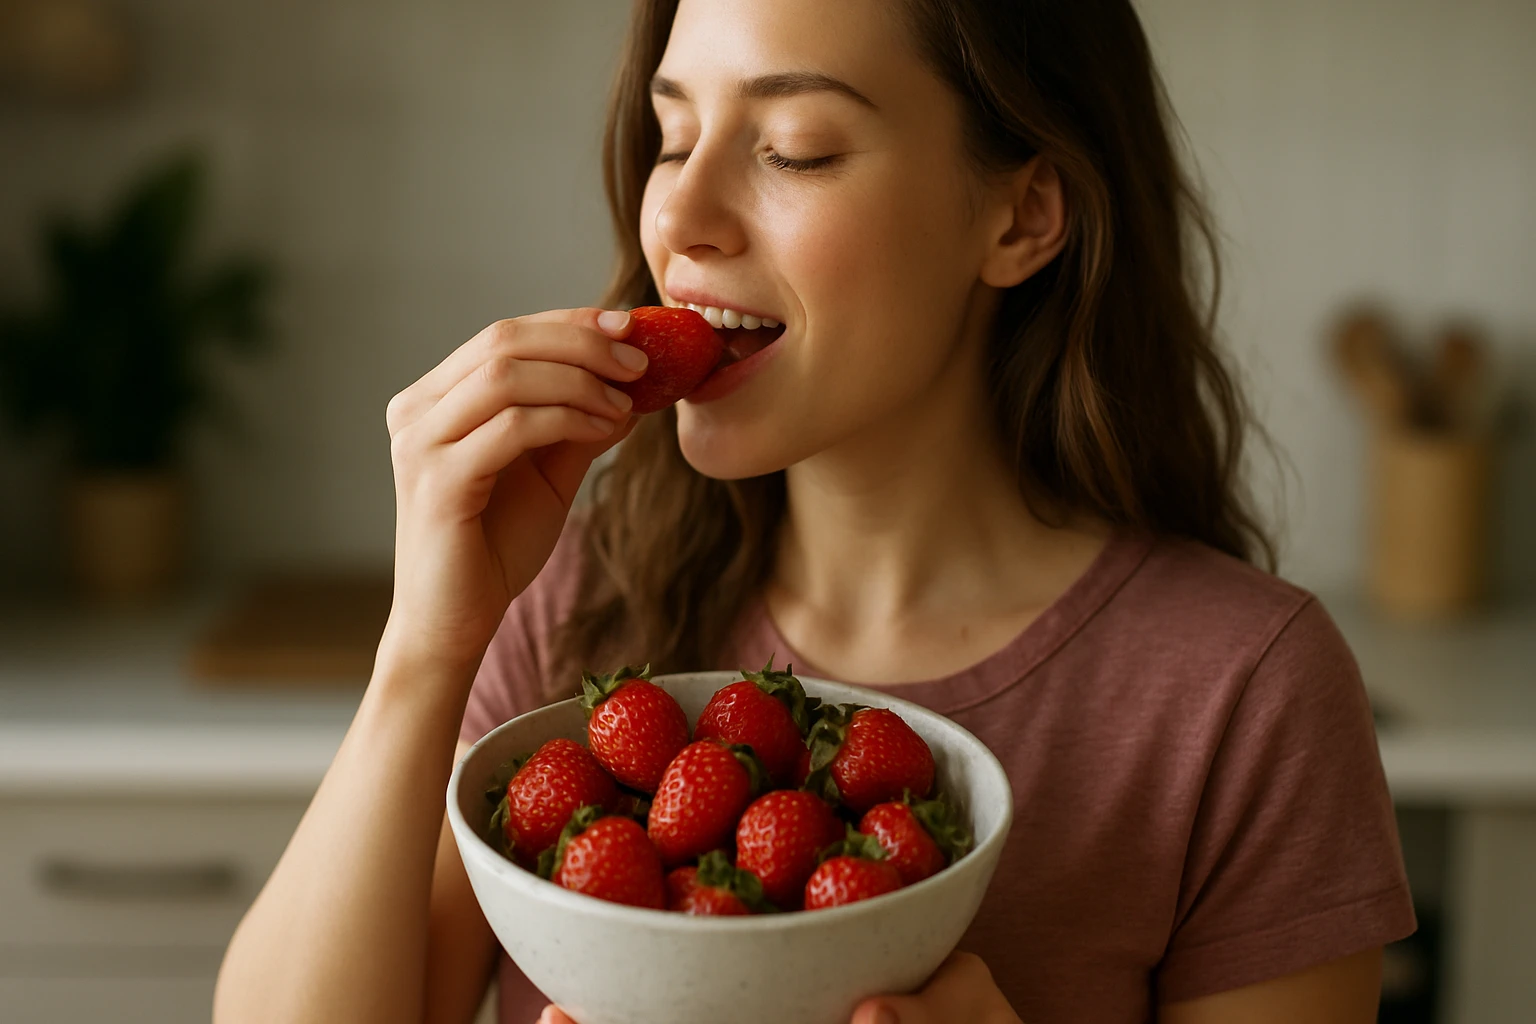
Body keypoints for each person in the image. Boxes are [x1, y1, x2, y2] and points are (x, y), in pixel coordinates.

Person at [214, 1, 1416, 1022]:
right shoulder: (575, 602)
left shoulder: (1246, 692)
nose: (679, 218)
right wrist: (424, 648)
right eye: (673, 135)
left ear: (1021, 216)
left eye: (794, 148)